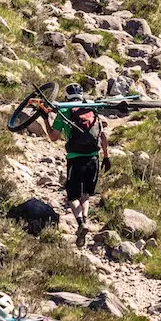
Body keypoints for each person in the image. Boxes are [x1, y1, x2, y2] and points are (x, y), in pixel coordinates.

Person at [44, 83, 110, 246]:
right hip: (94, 158)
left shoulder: (65, 111)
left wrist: (45, 119)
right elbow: (102, 136)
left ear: (67, 96)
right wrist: (106, 157)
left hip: (75, 158)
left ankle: (80, 223)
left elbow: (54, 137)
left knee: (72, 196)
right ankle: (85, 220)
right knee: (85, 195)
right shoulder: (92, 109)